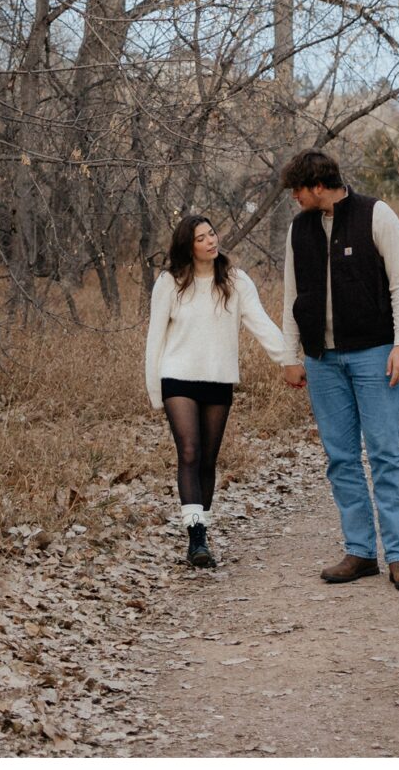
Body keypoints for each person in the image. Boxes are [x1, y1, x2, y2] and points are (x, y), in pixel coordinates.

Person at [278, 147, 399, 590]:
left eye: (298, 190)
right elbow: (292, 294)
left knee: (384, 454)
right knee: (341, 459)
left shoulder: (377, 215)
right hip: (322, 361)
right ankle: (359, 552)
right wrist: (291, 354)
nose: (295, 198)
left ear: (318, 186)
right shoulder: (298, 229)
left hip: (374, 354)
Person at [142, 212, 294, 569]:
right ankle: (196, 538)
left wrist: (289, 358)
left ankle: (203, 531)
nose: (211, 241)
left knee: (208, 459)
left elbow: (260, 323)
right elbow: (155, 339)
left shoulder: (236, 281)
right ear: (187, 246)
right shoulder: (170, 283)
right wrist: (155, 392)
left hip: (218, 379)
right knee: (190, 453)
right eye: (201, 238)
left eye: (212, 234)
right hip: (177, 379)